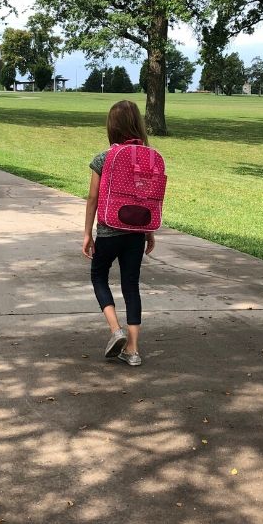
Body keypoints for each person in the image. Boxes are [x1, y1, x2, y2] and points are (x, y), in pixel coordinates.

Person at [82, 100, 155, 366]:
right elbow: (147, 199)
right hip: (136, 231)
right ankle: (133, 351)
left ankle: (116, 331)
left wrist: (88, 233)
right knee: (131, 286)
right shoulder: (147, 158)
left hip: (109, 230)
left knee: (99, 275)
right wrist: (149, 232)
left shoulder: (104, 158)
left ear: (112, 127)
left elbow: (92, 198)